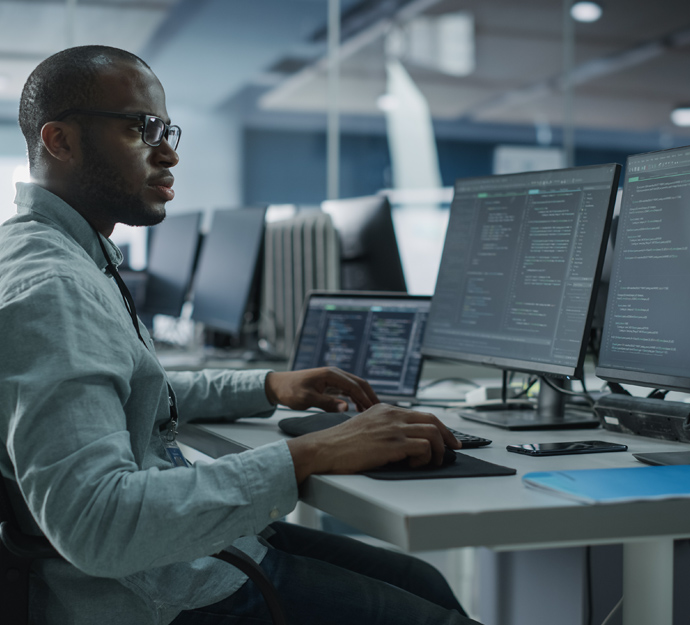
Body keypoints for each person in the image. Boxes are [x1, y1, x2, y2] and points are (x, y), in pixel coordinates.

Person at [0, 45, 483, 625]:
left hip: (171, 559)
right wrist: (312, 452)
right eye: (142, 128)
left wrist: (271, 385)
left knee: (420, 578)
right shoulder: (53, 285)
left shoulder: (59, 254)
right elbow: (99, 524)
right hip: (152, 590)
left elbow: (132, 390)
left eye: (167, 128)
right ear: (60, 141)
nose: (169, 152)